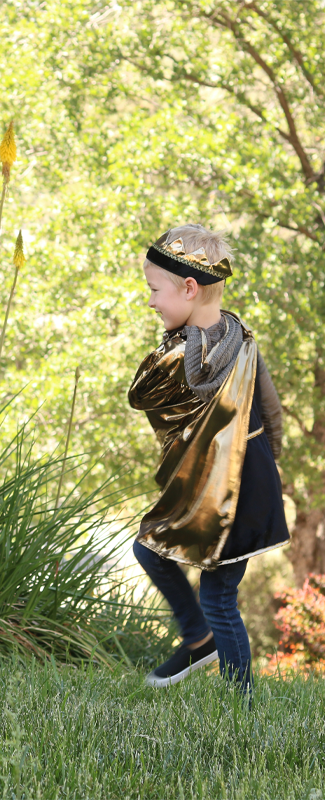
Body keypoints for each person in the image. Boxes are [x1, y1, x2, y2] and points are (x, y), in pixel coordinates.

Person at [128, 225, 289, 692]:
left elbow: (139, 396)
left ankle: (240, 703)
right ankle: (200, 639)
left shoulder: (178, 355)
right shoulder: (243, 339)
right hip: (245, 476)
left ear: (189, 288)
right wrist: (271, 468)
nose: (152, 302)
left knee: (219, 597)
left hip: (234, 484)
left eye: (155, 290)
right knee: (150, 549)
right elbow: (272, 410)